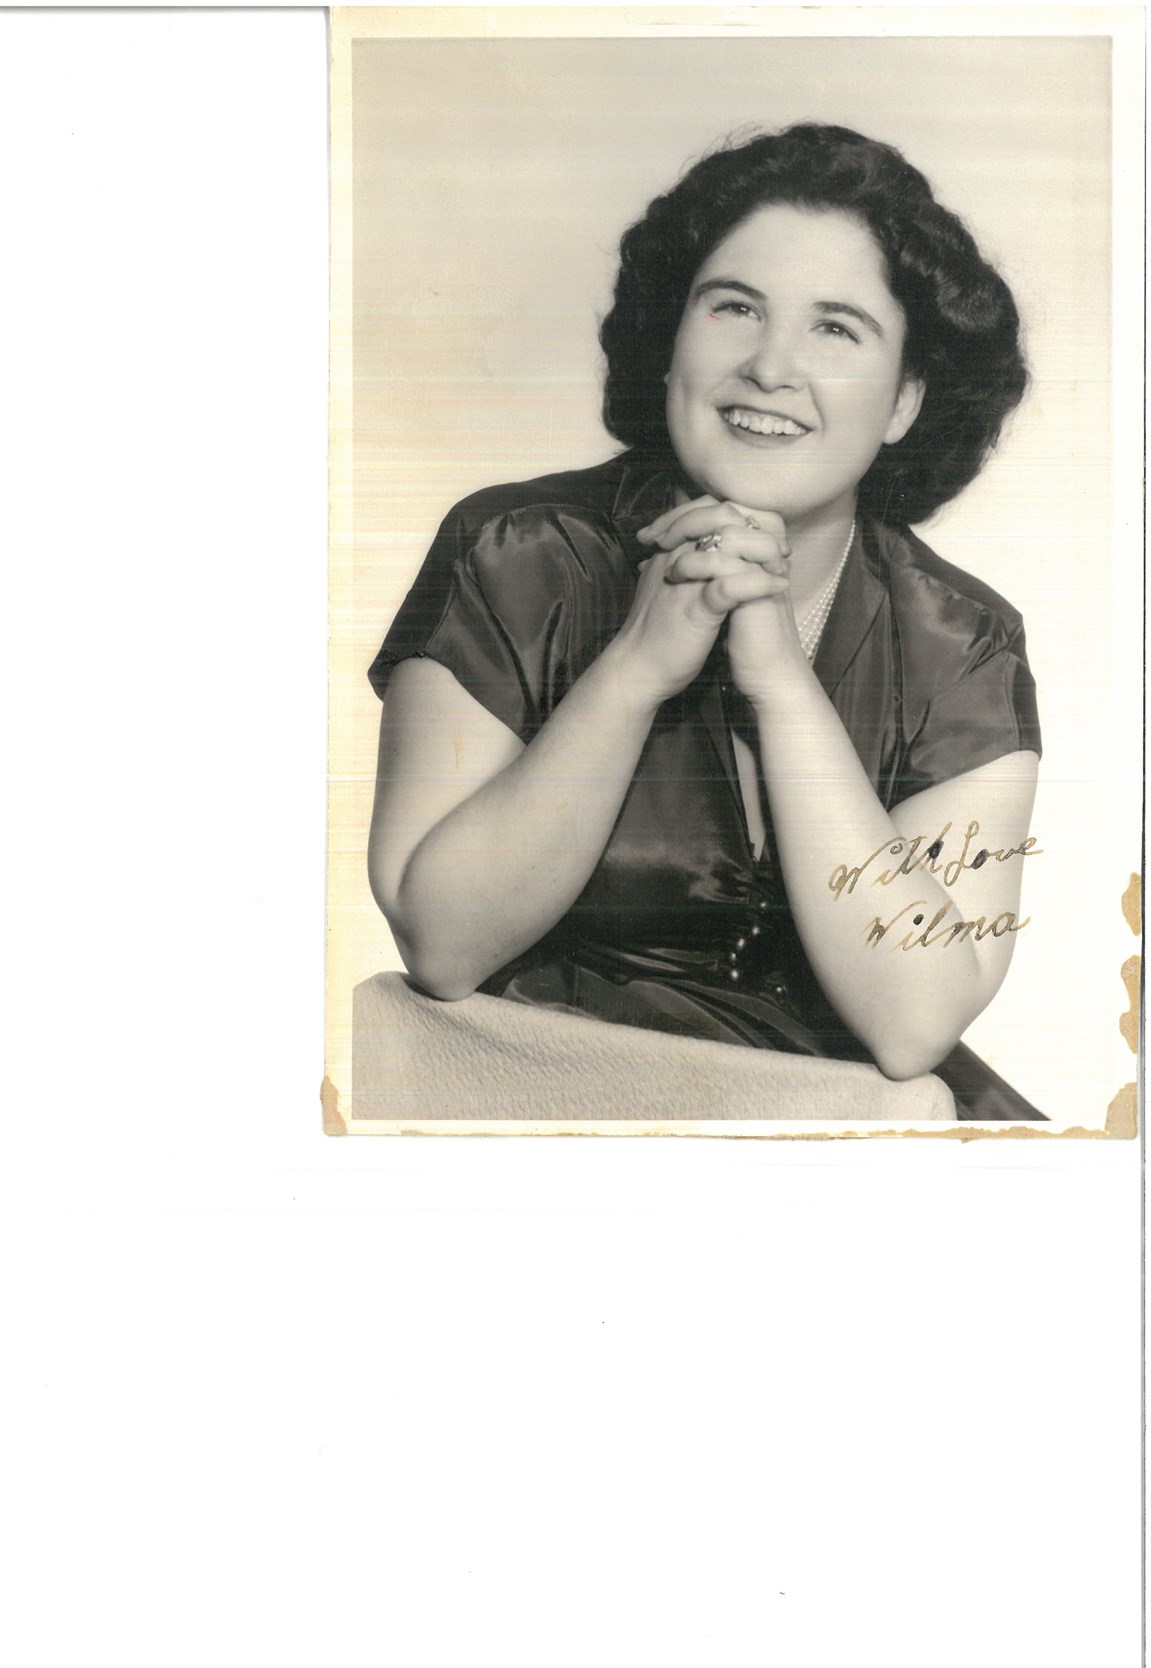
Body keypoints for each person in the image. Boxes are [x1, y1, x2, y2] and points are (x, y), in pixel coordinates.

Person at [365, 123, 1043, 1121]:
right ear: (669, 338)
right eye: (734, 308)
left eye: (835, 329)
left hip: (837, 1123)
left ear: (904, 400)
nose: (769, 366)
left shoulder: (965, 641)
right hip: (555, 1093)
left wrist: (780, 686)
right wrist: (637, 666)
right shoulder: (510, 549)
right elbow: (442, 945)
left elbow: (911, 1026)